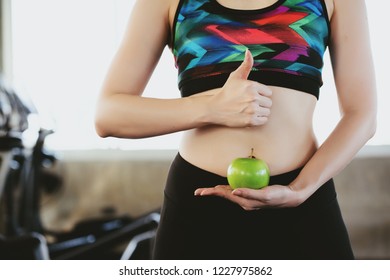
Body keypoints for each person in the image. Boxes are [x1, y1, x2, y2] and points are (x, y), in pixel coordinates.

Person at [95, 0, 376, 260]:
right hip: (197, 206)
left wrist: (299, 190)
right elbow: (108, 115)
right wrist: (212, 107)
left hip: (304, 199)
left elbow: (361, 114)